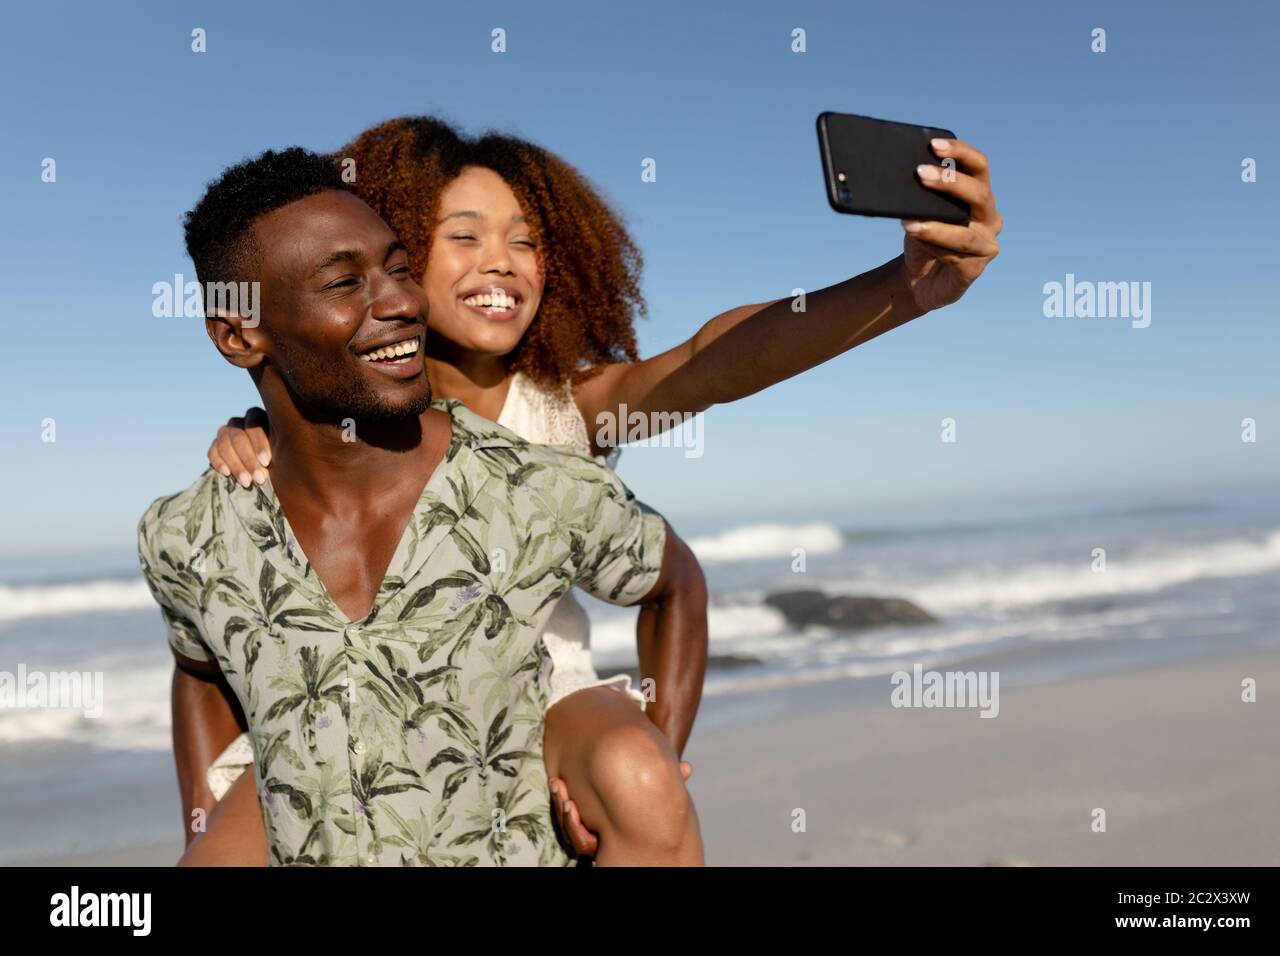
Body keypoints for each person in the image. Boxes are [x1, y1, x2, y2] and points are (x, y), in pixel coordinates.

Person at [197, 113, 1003, 861]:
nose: (502, 262)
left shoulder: (570, 412)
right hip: (343, 715)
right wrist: (253, 430)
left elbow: (710, 361)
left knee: (636, 776)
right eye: (465, 237)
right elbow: (212, 633)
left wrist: (903, 287)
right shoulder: (318, 418)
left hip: (540, 701)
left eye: (525, 241)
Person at [140, 147, 708, 866]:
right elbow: (198, 667)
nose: (404, 302)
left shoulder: (530, 484)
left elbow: (676, 579)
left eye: (401, 269)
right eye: (345, 282)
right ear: (238, 334)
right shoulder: (189, 533)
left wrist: (657, 748)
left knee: (640, 781)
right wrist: (203, 816)